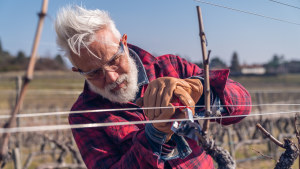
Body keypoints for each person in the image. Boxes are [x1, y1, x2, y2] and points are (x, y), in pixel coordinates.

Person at [55, 6, 251, 169]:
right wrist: (154, 136)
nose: (111, 77)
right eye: (94, 73)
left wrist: (197, 90)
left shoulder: (171, 67)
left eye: (114, 60)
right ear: (78, 71)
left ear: (124, 43)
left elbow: (243, 106)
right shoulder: (84, 114)